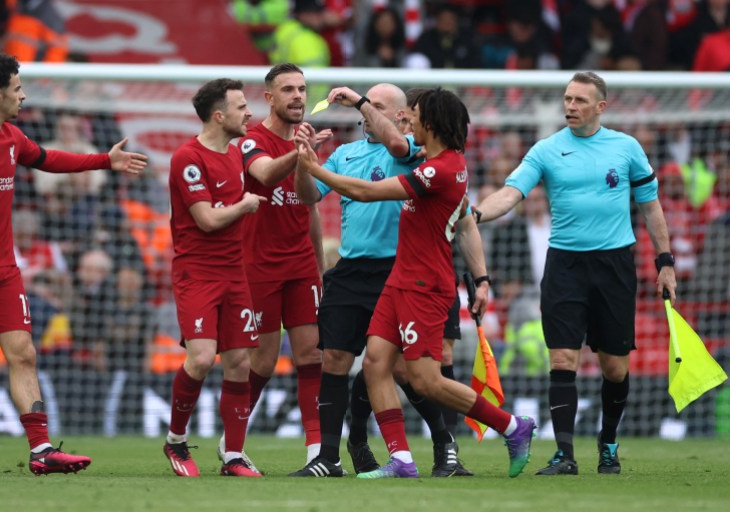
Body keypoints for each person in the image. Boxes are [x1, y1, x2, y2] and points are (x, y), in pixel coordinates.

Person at [295, 87, 536, 479]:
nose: (408, 120)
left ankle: (511, 426)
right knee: (374, 364)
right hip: (398, 281)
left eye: (414, 115)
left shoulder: (435, 169)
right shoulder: (432, 160)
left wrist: (315, 166)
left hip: (424, 283)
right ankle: (402, 460)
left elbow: (366, 192)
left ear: (430, 124)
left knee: (424, 378)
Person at [477, 71, 678, 475]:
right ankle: (564, 454)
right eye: (567, 99)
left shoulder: (627, 148)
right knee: (563, 357)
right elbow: (511, 193)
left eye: (579, 101)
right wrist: (476, 213)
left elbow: (651, 206)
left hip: (615, 266)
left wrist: (665, 261)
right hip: (564, 265)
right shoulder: (547, 150)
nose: (570, 106)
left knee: (614, 368)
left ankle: (608, 442)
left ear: (600, 107)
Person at [0, 51, 147, 477]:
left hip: (4, 269)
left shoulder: (11, 137)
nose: (23, 95)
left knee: (24, 352)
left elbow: (48, 159)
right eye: (17, 88)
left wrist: (105, 160)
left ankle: (42, 450)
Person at [161, 78, 264, 478]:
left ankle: (234, 455)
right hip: (197, 273)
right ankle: (175, 441)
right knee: (202, 358)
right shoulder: (187, 157)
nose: (248, 113)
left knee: (239, 360)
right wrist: (244, 205)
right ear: (219, 115)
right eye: (241, 107)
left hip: (234, 271)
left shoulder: (237, 152)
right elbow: (206, 220)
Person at [230, 63, 325, 469]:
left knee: (312, 356)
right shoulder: (251, 139)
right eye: (288, 89)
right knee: (263, 362)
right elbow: (265, 175)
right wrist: (297, 155)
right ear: (269, 98)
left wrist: (321, 266)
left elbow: (310, 205)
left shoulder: (303, 144)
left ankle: (318, 450)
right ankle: (231, 442)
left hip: (301, 265)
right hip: (259, 265)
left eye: (302, 89)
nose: (298, 96)